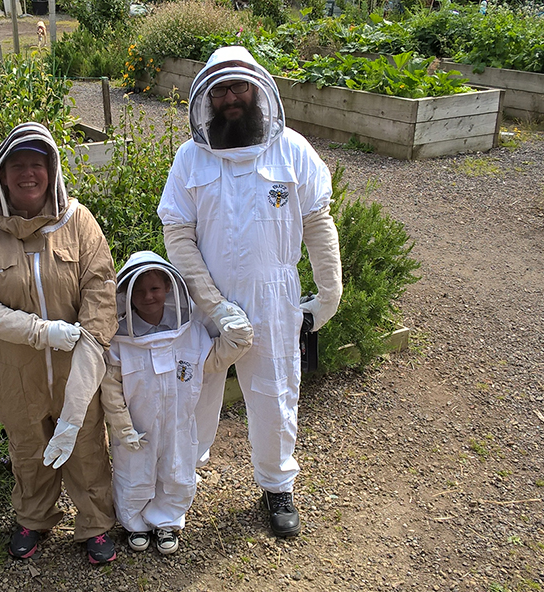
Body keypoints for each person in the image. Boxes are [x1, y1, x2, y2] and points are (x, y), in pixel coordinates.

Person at [157, 46, 343, 538]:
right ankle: (176, 489)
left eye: (238, 87)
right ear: (207, 99)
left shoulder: (292, 150)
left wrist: (329, 294)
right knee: (194, 393)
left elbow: (317, 223)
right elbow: (177, 232)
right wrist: (211, 304)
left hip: (274, 297)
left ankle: (277, 485)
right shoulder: (190, 158)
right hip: (205, 304)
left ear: (257, 90)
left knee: (275, 393)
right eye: (219, 91)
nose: (229, 98)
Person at [0, 122, 120, 564]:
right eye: (18, 165)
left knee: (86, 446)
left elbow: (101, 291)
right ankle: (33, 517)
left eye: (37, 164)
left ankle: (96, 524)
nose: (28, 174)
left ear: (52, 170)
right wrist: (37, 331)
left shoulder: (79, 221)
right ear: (1, 175)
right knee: (27, 448)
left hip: (75, 368)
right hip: (14, 368)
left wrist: (85, 358)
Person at [100, 251, 252, 555]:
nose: (148, 297)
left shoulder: (189, 333)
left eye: (155, 288)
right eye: (139, 291)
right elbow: (111, 388)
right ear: (126, 295)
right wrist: (121, 426)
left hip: (179, 422)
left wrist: (238, 338)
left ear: (169, 288)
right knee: (133, 472)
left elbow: (212, 360)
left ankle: (168, 521)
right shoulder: (119, 341)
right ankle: (135, 524)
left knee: (175, 469)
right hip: (136, 428)